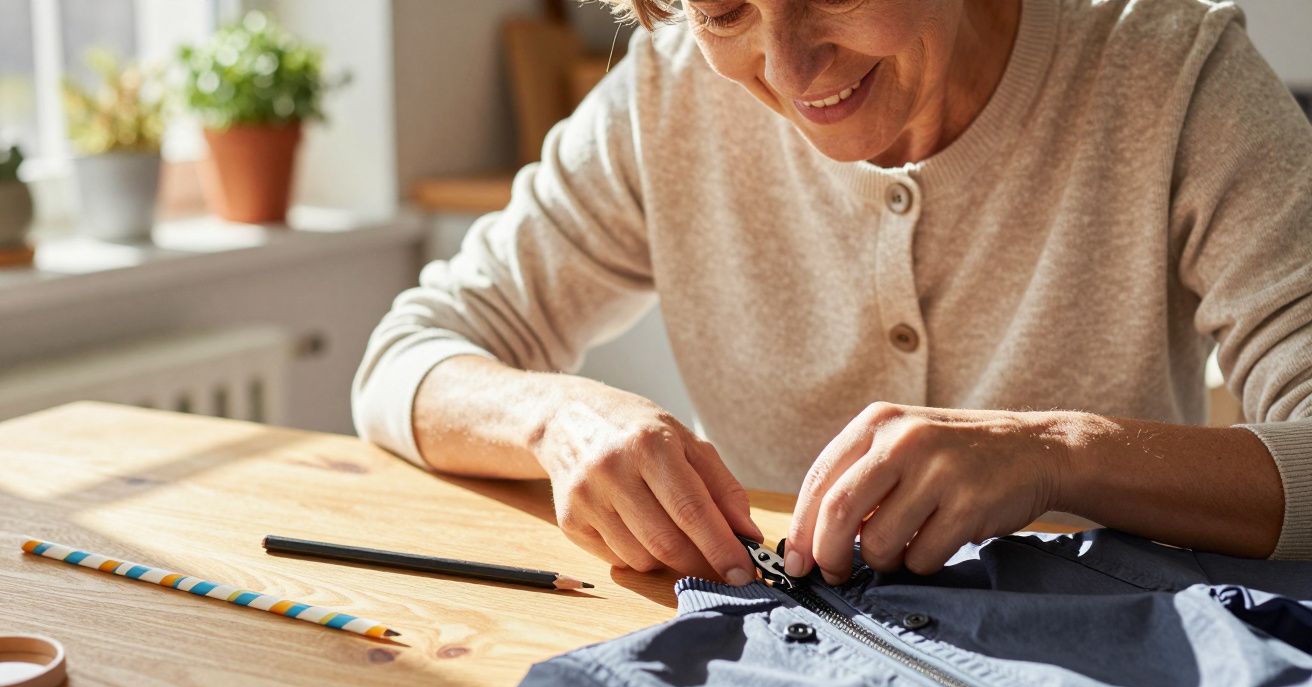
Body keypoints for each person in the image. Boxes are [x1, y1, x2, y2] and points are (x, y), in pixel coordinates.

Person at [354, 0, 1312, 588]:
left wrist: (1056, 455)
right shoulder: (666, 96)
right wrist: (554, 419)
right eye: (726, 9)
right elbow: (407, 357)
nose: (790, 70)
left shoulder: (1176, 79)